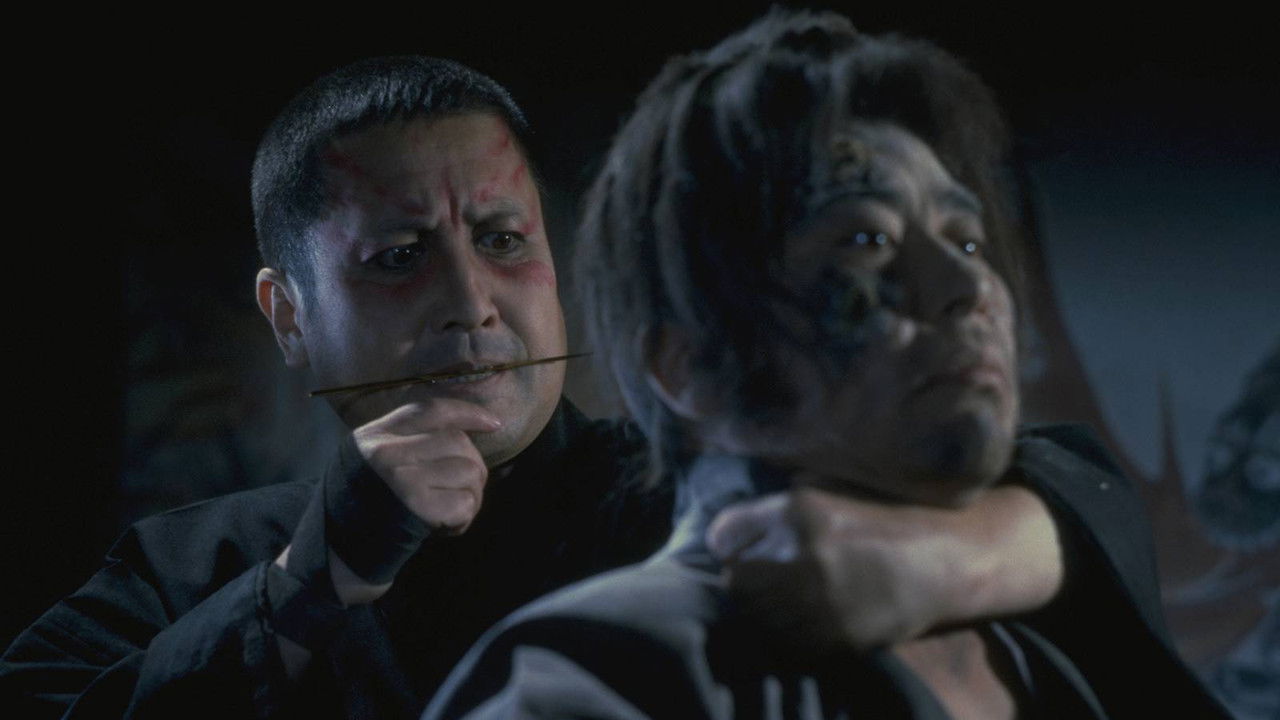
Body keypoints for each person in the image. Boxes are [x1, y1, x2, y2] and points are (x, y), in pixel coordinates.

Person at [2, 55, 1167, 719]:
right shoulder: (185, 566)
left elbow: (1069, 487)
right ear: (289, 317)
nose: (471, 302)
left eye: (502, 239)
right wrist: (310, 586)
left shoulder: (693, 497)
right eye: (399, 258)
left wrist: (950, 555)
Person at [424, 12, 1230, 719]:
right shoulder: (597, 682)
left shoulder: (1044, 653)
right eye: (866, 239)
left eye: (967, 239)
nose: (966, 287)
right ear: (689, 364)